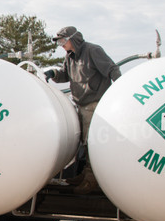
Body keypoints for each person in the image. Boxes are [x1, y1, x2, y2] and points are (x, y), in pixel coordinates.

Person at [43, 26, 120, 194]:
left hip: (94, 103)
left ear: (73, 39)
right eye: (59, 42)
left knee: (92, 142)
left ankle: (92, 179)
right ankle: (84, 173)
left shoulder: (93, 51)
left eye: (63, 41)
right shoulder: (70, 57)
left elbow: (112, 70)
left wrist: (121, 90)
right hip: (79, 103)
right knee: (83, 141)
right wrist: (53, 73)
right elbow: (65, 75)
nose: (61, 45)